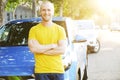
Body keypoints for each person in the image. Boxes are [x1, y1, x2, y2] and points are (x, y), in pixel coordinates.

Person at [28, 1, 67, 80]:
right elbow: (33, 49)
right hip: (41, 71)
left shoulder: (60, 30)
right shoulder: (34, 30)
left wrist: (40, 49)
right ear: (40, 12)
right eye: (44, 10)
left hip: (58, 71)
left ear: (52, 12)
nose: (46, 12)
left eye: (49, 10)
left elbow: (62, 50)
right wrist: (52, 46)